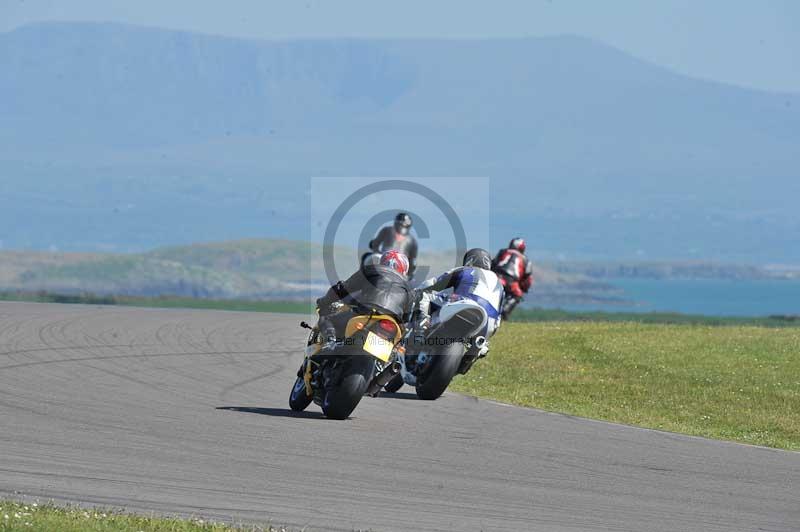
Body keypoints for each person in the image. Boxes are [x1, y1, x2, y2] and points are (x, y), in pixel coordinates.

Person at [415, 248, 504, 358]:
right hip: (489, 324)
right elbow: (500, 314)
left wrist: (416, 291)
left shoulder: (465, 269)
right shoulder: (499, 284)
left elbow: (434, 284)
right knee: (480, 347)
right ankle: (472, 356)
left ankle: (422, 326)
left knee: (425, 296)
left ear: (470, 260)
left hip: (464, 303)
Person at [316, 250, 414, 346]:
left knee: (326, 319)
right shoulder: (409, 288)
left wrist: (323, 302)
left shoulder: (371, 270)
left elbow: (341, 289)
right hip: (391, 322)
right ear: (404, 269)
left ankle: (330, 344)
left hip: (367, 312)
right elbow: (407, 318)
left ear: (382, 262)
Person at [368, 212, 418, 279]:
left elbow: (375, 245)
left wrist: (377, 252)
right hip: (400, 265)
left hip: (385, 260)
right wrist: (408, 275)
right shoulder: (412, 240)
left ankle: (363, 278)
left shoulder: (386, 230)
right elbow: (413, 262)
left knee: (368, 257)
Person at [492, 237, 534, 318]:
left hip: (496, 276)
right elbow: (528, 279)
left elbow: (493, 264)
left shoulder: (502, 251)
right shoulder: (526, 260)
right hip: (511, 281)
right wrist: (524, 288)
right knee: (517, 294)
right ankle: (504, 311)